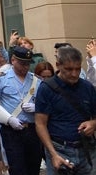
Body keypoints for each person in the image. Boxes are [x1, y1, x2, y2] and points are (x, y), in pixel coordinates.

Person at [35, 46, 96, 175]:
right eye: (69, 69)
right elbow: (40, 124)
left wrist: (93, 124)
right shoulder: (46, 89)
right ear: (58, 65)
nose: (74, 74)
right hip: (59, 150)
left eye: (78, 69)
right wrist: (53, 154)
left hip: (87, 151)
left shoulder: (87, 87)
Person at [0, 46, 43, 175]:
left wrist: (37, 107)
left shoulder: (36, 80)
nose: (26, 67)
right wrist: (8, 119)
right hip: (11, 130)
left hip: (33, 129)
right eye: (22, 63)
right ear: (13, 60)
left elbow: (45, 103)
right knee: (17, 167)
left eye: (28, 64)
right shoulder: (1, 78)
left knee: (33, 166)